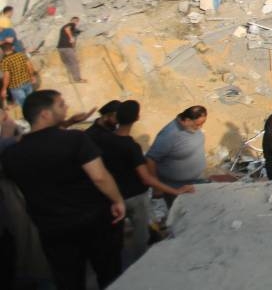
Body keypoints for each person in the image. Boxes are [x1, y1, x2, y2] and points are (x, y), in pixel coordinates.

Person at [2, 90, 126, 289]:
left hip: (53, 230)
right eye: (61, 104)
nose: (66, 106)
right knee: (110, 276)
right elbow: (99, 177)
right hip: (94, 222)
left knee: (69, 281)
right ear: (45, 114)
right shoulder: (75, 139)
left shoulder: (12, 154)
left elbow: (38, 146)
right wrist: (117, 200)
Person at [95, 100, 195, 265]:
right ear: (136, 118)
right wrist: (175, 191)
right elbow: (146, 178)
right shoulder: (131, 146)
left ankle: (114, 263)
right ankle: (140, 264)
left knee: (114, 235)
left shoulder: (104, 139)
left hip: (114, 196)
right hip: (135, 197)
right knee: (141, 234)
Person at [145, 106, 208, 190]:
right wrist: (157, 186)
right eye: (198, 124)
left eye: (203, 123)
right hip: (176, 186)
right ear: (187, 120)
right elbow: (150, 159)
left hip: (197, 179)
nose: (200, 127)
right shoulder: (169, 134)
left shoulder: (191, 127)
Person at [1, 40, 37, 106]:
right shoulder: (21, 55)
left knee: (24, 104)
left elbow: (7, 76)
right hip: (27, 81)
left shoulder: (4, 61)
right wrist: (32, 76)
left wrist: (4, 88)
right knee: (32, 100)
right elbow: (29, 66)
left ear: (2, 50)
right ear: (12, 47)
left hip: (16, 86)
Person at [58, 16, 84, 83]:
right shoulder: (71, 24)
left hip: (60, 48)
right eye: (77, 22)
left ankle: (70, 80)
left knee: (68, 64)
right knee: (74, 63)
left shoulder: (64, 26)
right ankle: (77, 79)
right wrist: (71, 38)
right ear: (76, 21)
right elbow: (67, 29)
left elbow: (67, 30)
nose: (76, 23)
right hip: (67, 48)